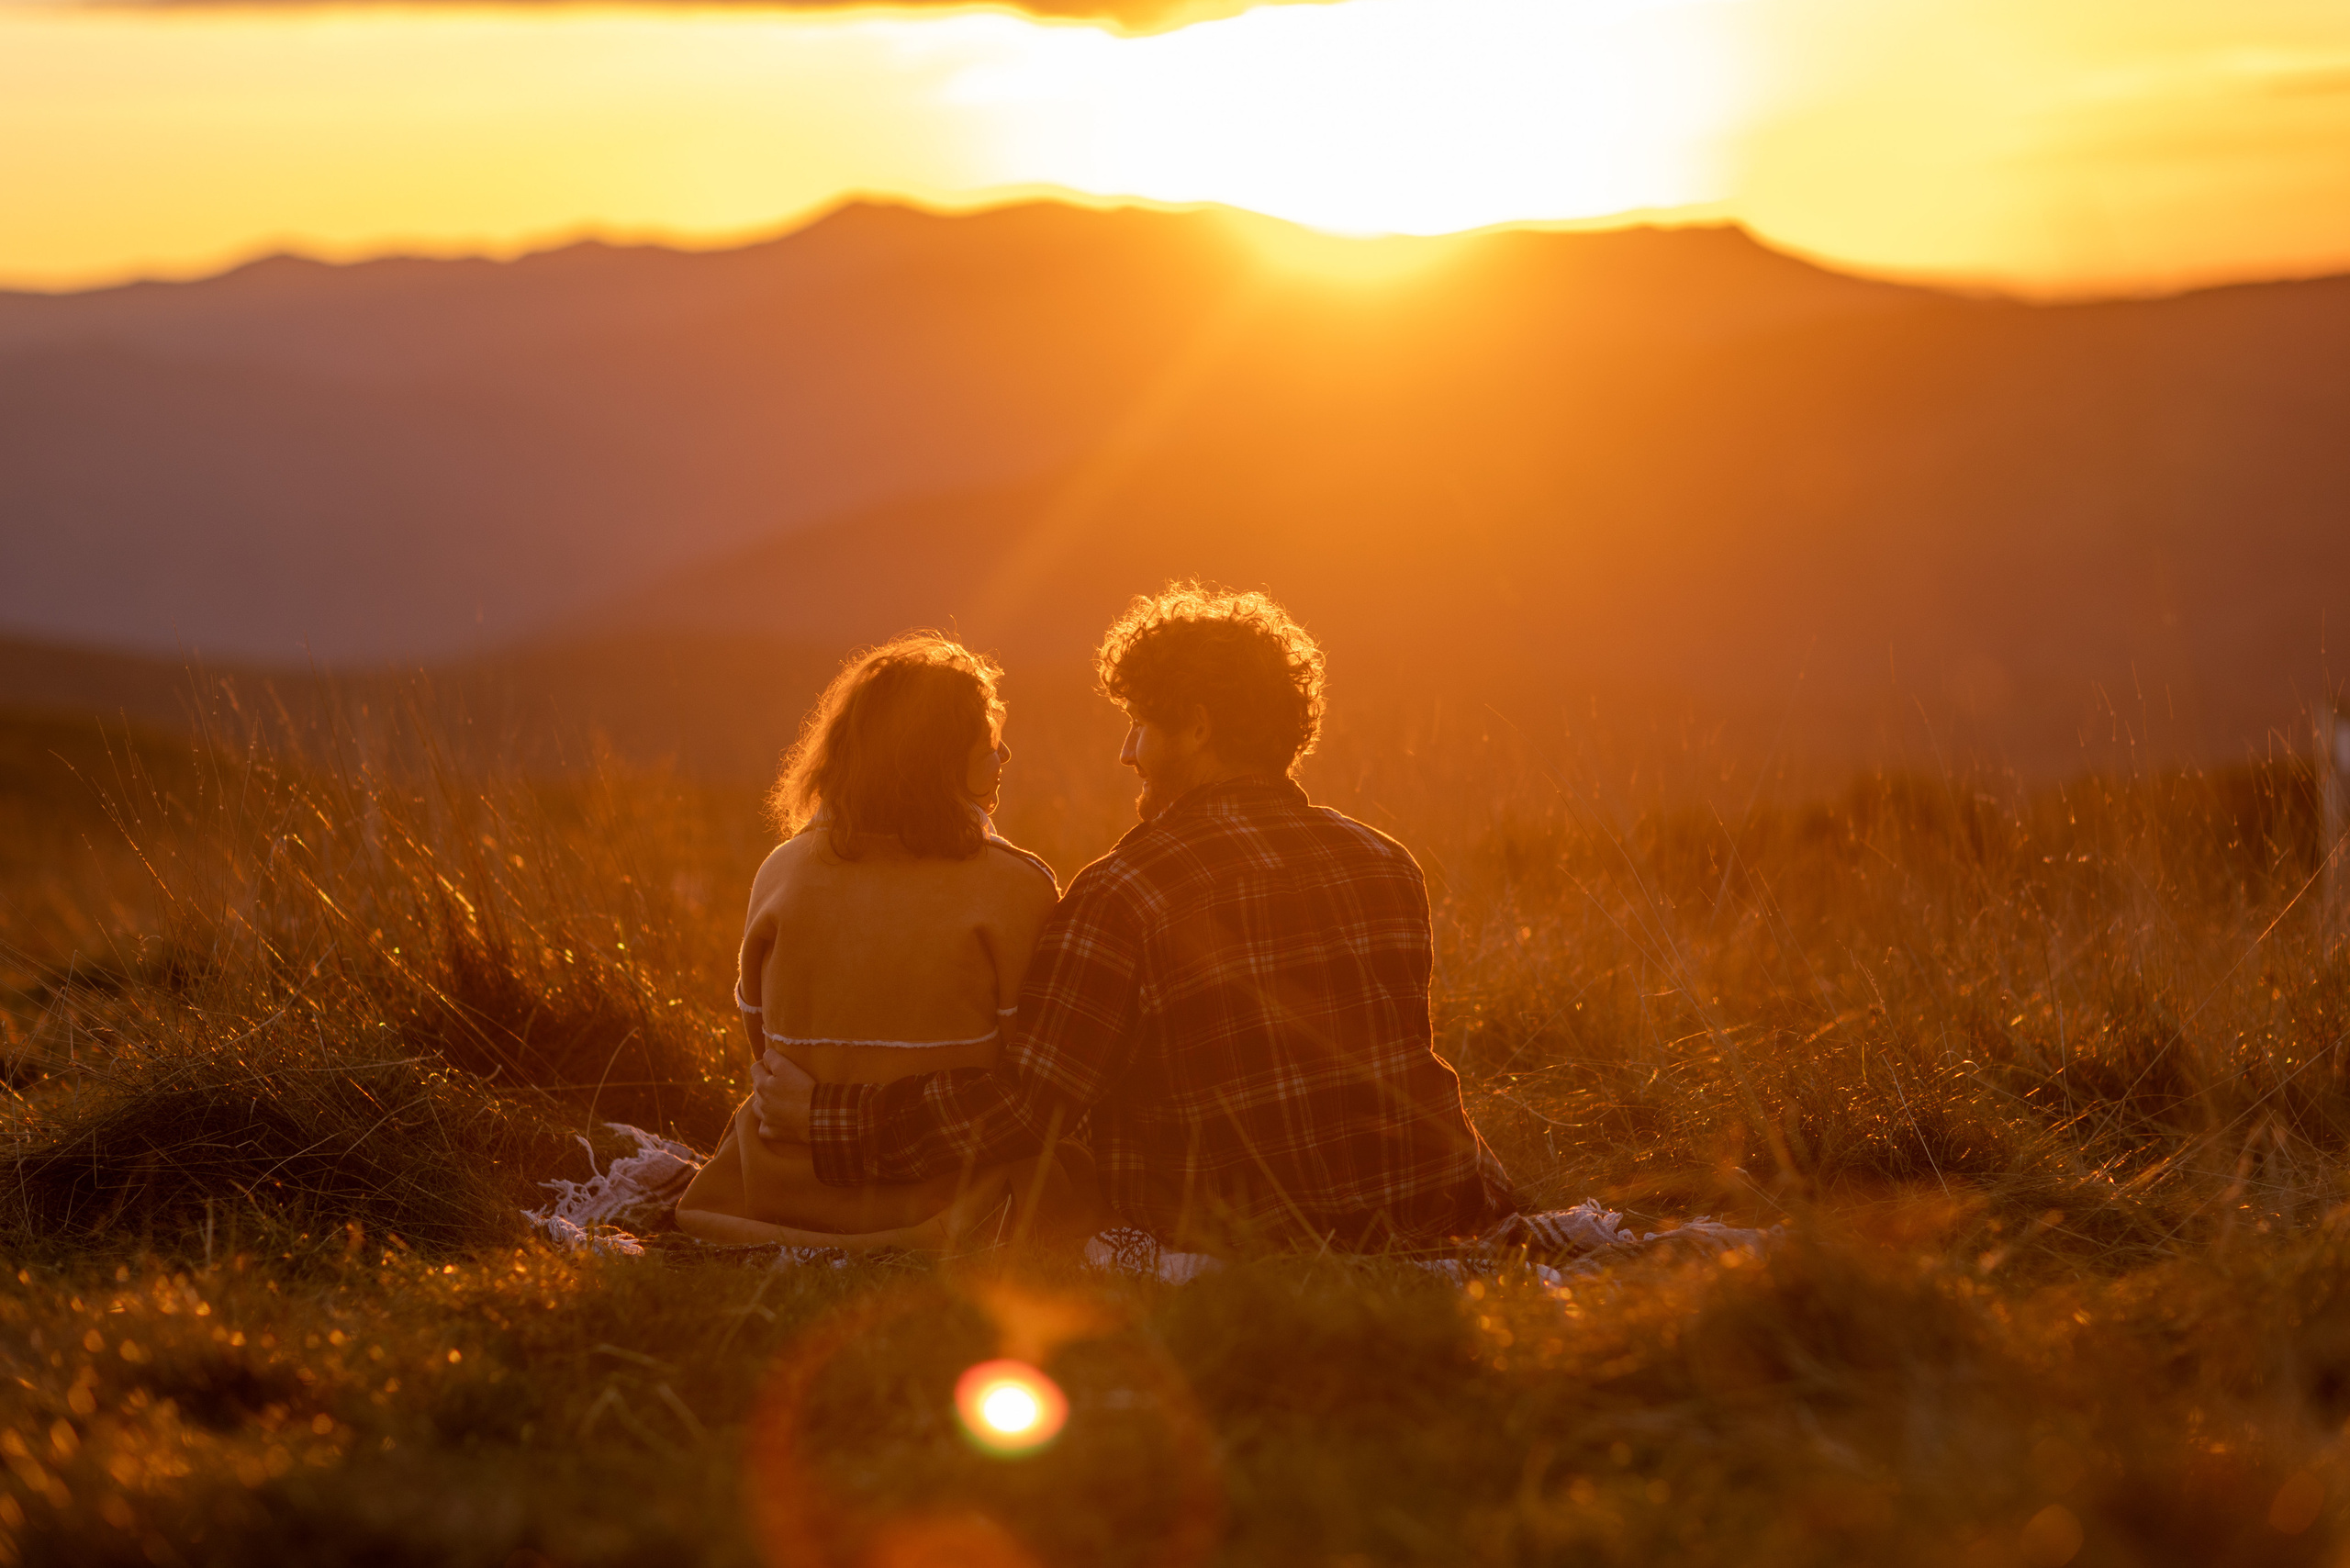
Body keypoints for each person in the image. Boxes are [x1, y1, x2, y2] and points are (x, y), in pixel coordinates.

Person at [753, 585, 1516, 1253]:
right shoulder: (1386, 864)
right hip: (1430, 1200)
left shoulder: (1125, 893)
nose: (1126, 753)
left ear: (1196, 727)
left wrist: (831, 1119)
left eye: (1140, 725)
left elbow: (1027, 1107)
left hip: (1234, 1228)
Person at [673, 633, 1096, 1249]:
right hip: (948, 1197)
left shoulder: (782, 872)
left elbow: (761, 1042)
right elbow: (1025, 1081)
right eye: (988, 742)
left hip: (779, 1189)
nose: (1006, 754)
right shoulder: (1016, 887)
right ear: (939, 760)